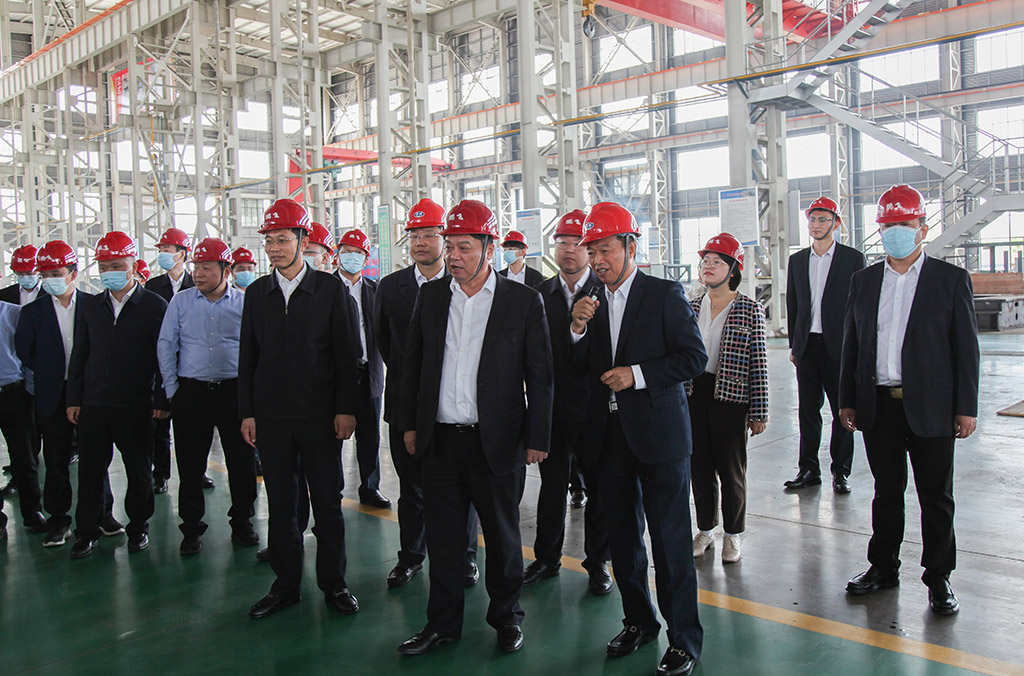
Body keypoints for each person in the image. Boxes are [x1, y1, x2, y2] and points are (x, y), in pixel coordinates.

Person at [397, 199, 553, 656]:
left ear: (489, 247)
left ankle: (506, 618)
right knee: (444, 540)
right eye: (449, 246)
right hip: (440, 441)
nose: (453, 256)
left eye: (464, 247)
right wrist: (410, 426)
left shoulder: (522, 301)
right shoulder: (431, 297)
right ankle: (442, 623)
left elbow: (540, 375)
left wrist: (538, 437)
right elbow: (412, 367)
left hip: (497, 442)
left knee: (503, 538)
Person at [569, 202, 706, 676]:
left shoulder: (664, 294)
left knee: (670, 544)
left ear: (631, 246)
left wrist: (638, 375)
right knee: (623, 541)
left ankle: (684, 640)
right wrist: (576, 328)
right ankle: (639, 622)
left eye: (605, 249)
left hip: (659, 438)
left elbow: (693, 358)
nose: (598, 260)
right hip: (608, 440)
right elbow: (577, 367)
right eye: (592, 252)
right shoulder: (589, 300)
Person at [839, 184, 980, 616]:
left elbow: (966, 348)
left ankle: (939, 577)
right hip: (878, 404)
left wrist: (966, 407)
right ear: (879, 230)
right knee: (886, 491)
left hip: (933, 406)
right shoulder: (864, 281)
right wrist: (847, 399)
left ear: (922, 227)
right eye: (888, 225)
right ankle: (883, 567)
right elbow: (852, 343)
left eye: (904, 223)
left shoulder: (949, 279)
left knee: (935, 495)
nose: (896, 231)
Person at [239, 198, 361, 619]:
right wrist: (248, 412)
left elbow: (348, 355)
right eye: (269, 241)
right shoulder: (258, 293)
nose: (274, 248)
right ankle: (286, 585)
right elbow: (248, 357)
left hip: (320, 417)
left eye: (282, 239)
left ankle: (334, 583)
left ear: (303, 240)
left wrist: (346, 409)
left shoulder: (329, 290)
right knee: (281, 503)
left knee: (327, 502)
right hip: (272, 418)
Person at [373, 198, 481, 589]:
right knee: (412, 487)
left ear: (444, 239)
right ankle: (411, 556)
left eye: (429, 235)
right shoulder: (390, 287)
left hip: (453, 406)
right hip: (405, 405)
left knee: (462, 489)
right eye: (414, 235)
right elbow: (384, 342)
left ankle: (466, 557)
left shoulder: (466, 285)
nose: (420, 242)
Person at [67, 231, 170, 558]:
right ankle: (87, 531)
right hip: (94, 404)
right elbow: (80, 355)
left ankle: (138, 527)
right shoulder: (91, 307)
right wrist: (74, 399)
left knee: (139, 470)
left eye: (116, 265)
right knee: (90, 472)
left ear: (133, 265)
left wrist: (161, 399)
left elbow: (164, 357)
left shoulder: (154, 306)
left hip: (136, 404)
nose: (109, 272)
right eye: (103, 266)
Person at [526, 209, 611, 593]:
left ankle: (598, 563)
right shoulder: (539, 295)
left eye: (577, 243)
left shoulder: (606, 291)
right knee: (551, 487)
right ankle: (546, 558)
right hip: (552, 409)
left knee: (599, 488)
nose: (569, 250)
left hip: (595, 409)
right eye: (562, 242)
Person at [15, 241, 120, 547]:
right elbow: (25, 350)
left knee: (95, 457)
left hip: (89, 392)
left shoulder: (94, 306)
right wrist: (52, 371)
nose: (50, 279)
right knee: (56, 459)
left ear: (73, 273)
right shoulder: (33, 312)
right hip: (52, 393)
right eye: (45, 274)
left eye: (56, 273)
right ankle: (59, 520)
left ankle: (103, 514)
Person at [158, 238, 259, 556]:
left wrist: (251, 397)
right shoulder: (181, 302)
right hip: (191, 394)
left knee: (241, 463)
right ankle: (191, 529)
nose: (198, 274)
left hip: (234, 394)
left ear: (226, 270)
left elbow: (257, 349)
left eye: (206, 268)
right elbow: (166, 344)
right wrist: (172, 389)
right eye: (196, 267)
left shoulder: (244, 303)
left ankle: (242, 522)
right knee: (190, 465)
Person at [687, 234, 768, 564]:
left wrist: (759, 411)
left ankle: (733, 535)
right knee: (699, 468)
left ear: (733, 269)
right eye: (705, 261)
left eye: (717, 262)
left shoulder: (749, 309)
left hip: (731, 399)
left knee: (731, 470)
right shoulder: (692, 306)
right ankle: (705, 530)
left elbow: (758, 363)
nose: (708, 266)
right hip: (694, 394)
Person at [784, 197, 866, 493]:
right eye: (812, 219)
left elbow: (860, 307)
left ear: (836, 223)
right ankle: (808, 469)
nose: (816, 225)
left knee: (843, 411)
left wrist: (855, 348)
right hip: (808, 347)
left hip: (839, 347)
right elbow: (793, 304)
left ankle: (840, 471)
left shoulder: (852, 259)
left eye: (822, 220)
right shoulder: (797, 260)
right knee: (807, 411)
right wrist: (795, 345)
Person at [337, 228, 389, 509]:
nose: (352, 257)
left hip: (370, 373)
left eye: (357, 253)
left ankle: (370, 487)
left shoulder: (376, 289)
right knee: (333, 434)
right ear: (337, 254)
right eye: (347, 251)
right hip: (336, 376)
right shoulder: (326, 288)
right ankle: (333, 488)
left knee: (370, 435)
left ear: (366, 258)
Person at [145, 227, 197, 495]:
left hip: (190, 362)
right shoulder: (153, 287)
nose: (163, 254)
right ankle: (161, 473)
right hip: (161, 362)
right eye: (161, 250)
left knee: (193, 428)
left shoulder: (196, 283)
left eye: (167, 250)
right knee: (160, 423)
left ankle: (197, 472)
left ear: (182, 254)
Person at [0, 244, 42, 500]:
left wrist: (30, 385)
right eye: (20, 273)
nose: (25, 277)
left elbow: (27, 350)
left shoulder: (11, 312)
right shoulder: (7, 297)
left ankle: (32, 509)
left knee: (24, 451)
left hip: (16, 389)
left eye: (30, 272)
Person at [0, 299, 45, 533]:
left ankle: (32, 511)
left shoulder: (15, 313)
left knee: (25, 456)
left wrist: (30, 392)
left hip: (14, 394)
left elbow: (29, 355)